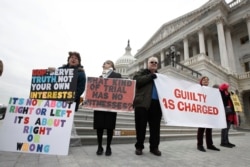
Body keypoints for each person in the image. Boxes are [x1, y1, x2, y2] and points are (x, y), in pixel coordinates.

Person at [48, 51, 86, 146]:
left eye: (76, 58)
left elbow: (80, 88)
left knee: (67, 123)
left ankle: (65, 143)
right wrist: (49, 71)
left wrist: (72, 98)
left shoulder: (81, 73)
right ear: (68, 60)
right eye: (71, 57)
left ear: (79, 62)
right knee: (55, 121)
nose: (73, 59)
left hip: (70, 102)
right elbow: (51, 82)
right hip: (57, 101)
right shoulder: (59, 70)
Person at [133, 56, 162, 156]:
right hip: (142, 103)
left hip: (156, 105)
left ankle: (154, 147)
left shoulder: (160, 77)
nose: (154, 63)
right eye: (151, 62)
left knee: (155, 128)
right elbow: (136, 81)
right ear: (148, 64)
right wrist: (150, 76)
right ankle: (139, 146)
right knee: (140, 127)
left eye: (155, 62)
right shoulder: (141, 72)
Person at [94, 60, 122, 156]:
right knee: (99, 127)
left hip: (111, 106)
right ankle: (99, 146)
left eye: (107, 62)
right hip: (100, 106)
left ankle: (108, 146)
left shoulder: (117, 75)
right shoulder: (100, 77)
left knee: (110, 127)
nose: (105, 64)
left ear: (112, 66)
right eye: (104, 63)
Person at [196, 77, 220, 152]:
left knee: (209, 129)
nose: (206, 81)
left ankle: (210, 145)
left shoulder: (210, 91)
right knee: (201, 129)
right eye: (204, 80)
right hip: (202, 111)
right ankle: (199, 145)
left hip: (209, 111)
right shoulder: (198, 89)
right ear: (201, 81)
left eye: (207, 80)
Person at [219, 83, 237, 148]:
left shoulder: (227, 93)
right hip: (225, 112)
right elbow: (223, 100)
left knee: (228, 128)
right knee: (225, 128)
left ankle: (227, 141)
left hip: (230, 112)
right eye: (227, 87)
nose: (228, 88)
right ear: (224, 87)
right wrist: (229, 95)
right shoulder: (221, 92)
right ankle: (223, 142)